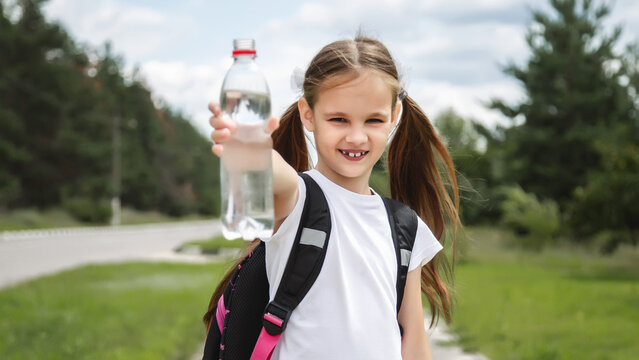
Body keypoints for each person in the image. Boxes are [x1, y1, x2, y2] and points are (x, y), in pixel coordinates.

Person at [208, 35, 460, 360]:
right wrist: (250, 146)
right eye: (338, 119)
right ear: (308, 114)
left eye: (373, 120)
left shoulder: (404, 226)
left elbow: (412, 337)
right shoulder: (298, 201)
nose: (356, 137)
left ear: (394, 115)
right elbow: (274, 173)